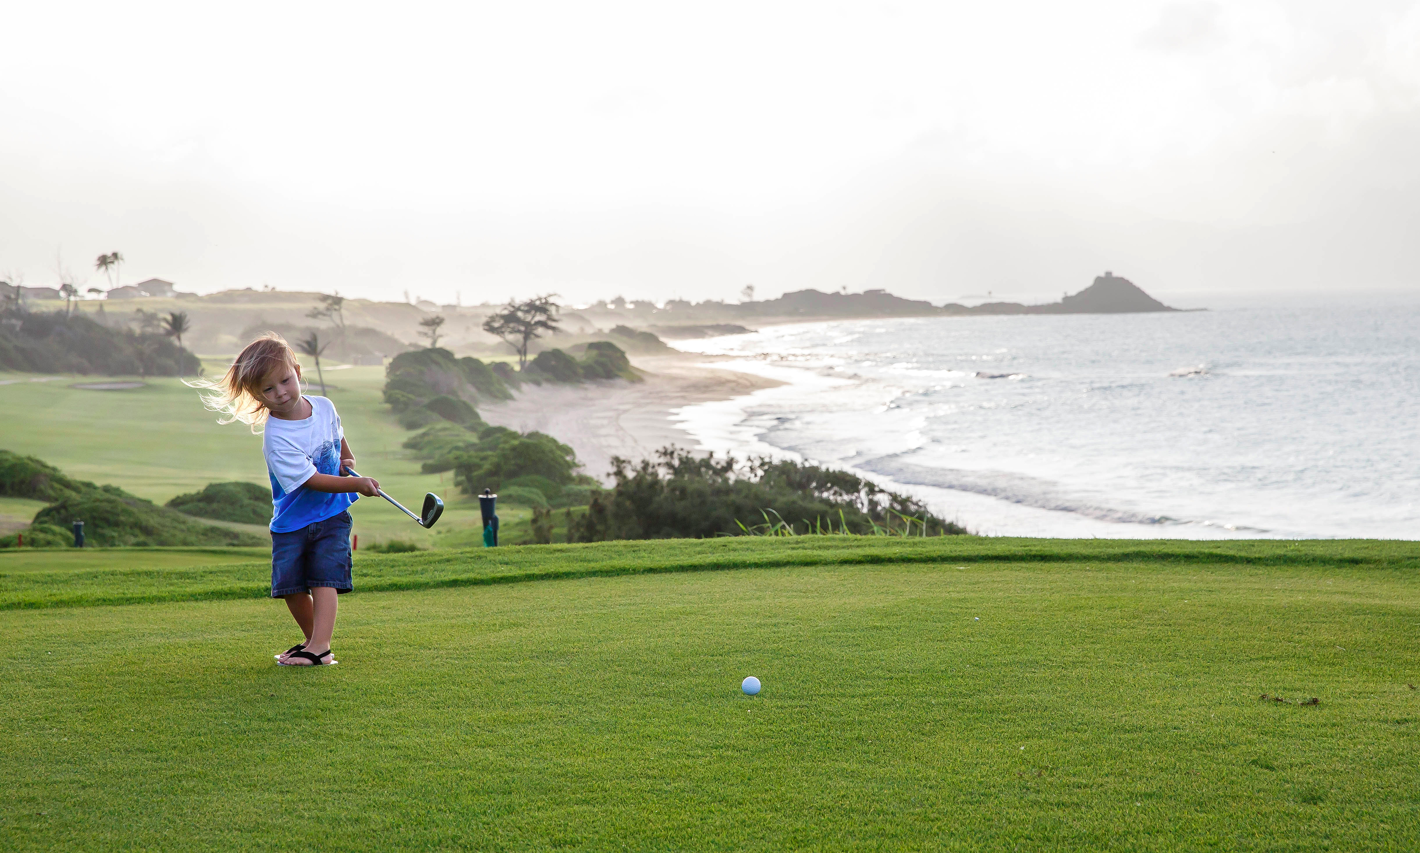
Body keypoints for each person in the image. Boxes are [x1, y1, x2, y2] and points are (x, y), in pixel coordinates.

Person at [192, 333, 379, 666]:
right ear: (255, 395)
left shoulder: (324, 406)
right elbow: (312, 480)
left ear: (297, 370)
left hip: (332, 516)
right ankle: (314, 642)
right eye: (268, 389)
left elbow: (337, 433)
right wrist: (359, 483)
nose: (280, 392)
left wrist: (347, 459)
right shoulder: (277, 437)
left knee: (325, 578)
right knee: (290, 586)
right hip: (292, 522)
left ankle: (320, 648)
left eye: (285, 380)